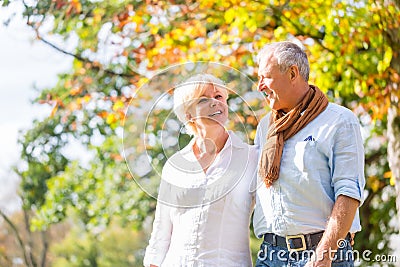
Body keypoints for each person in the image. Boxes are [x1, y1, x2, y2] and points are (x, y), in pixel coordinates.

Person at [253, 41, 365, 267]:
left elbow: (349, 193)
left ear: (292, 73)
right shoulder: (266, 127)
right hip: (270, 255)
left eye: (265, 77)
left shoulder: (339, 121)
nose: (260, 86)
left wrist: (324, 255)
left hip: (322, 254)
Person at [143, 74, 258, 267]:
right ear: (188, 114)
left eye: (219, 97)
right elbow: (161, 232)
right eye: (204, 99)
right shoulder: (174, 166)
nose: (215, 103)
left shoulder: (252, 157)